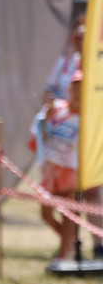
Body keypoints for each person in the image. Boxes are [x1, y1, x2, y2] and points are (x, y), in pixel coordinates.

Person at [33, 71, 82, 264]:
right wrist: (46, 119)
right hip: (50, 168)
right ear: (69, 89)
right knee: (45, 213)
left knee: (67, 214)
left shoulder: (89, 118)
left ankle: (65, 254)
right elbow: (39, 135)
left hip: (70, 169)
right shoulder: (58, 108)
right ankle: (71, 245)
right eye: (75, 88)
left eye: (81, 89)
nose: (77, 93)